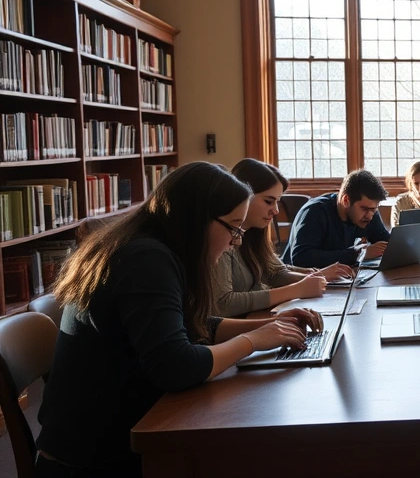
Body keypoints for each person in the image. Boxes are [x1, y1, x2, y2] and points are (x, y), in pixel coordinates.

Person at [35, 162, 322, 477]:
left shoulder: (150, 248)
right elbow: (177, 366)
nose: (236, 241)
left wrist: (268, 327)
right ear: (197, 219)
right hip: (95, 458)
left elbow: (186, 326)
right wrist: (252, 341)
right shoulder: (146, 260)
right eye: (233, 228)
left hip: (113, 433)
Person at [214, 158, 354, 317]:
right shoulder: (221, 239)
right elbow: (223, 304)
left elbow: (275, 272)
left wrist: (316, 275)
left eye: (277, 202)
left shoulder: (253, 233)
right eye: (268, 201)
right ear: (243, 196)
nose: (276, 211)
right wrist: (299, 287)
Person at [281, 168, 390, 268]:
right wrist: (358, 253)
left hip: (339, 280)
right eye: (365, 209)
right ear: (346, 200)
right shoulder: (315, 212)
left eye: (374, 209)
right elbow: (301, 258)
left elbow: (386, 241)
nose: (370, 216)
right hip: (297, 282)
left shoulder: (368, 212)